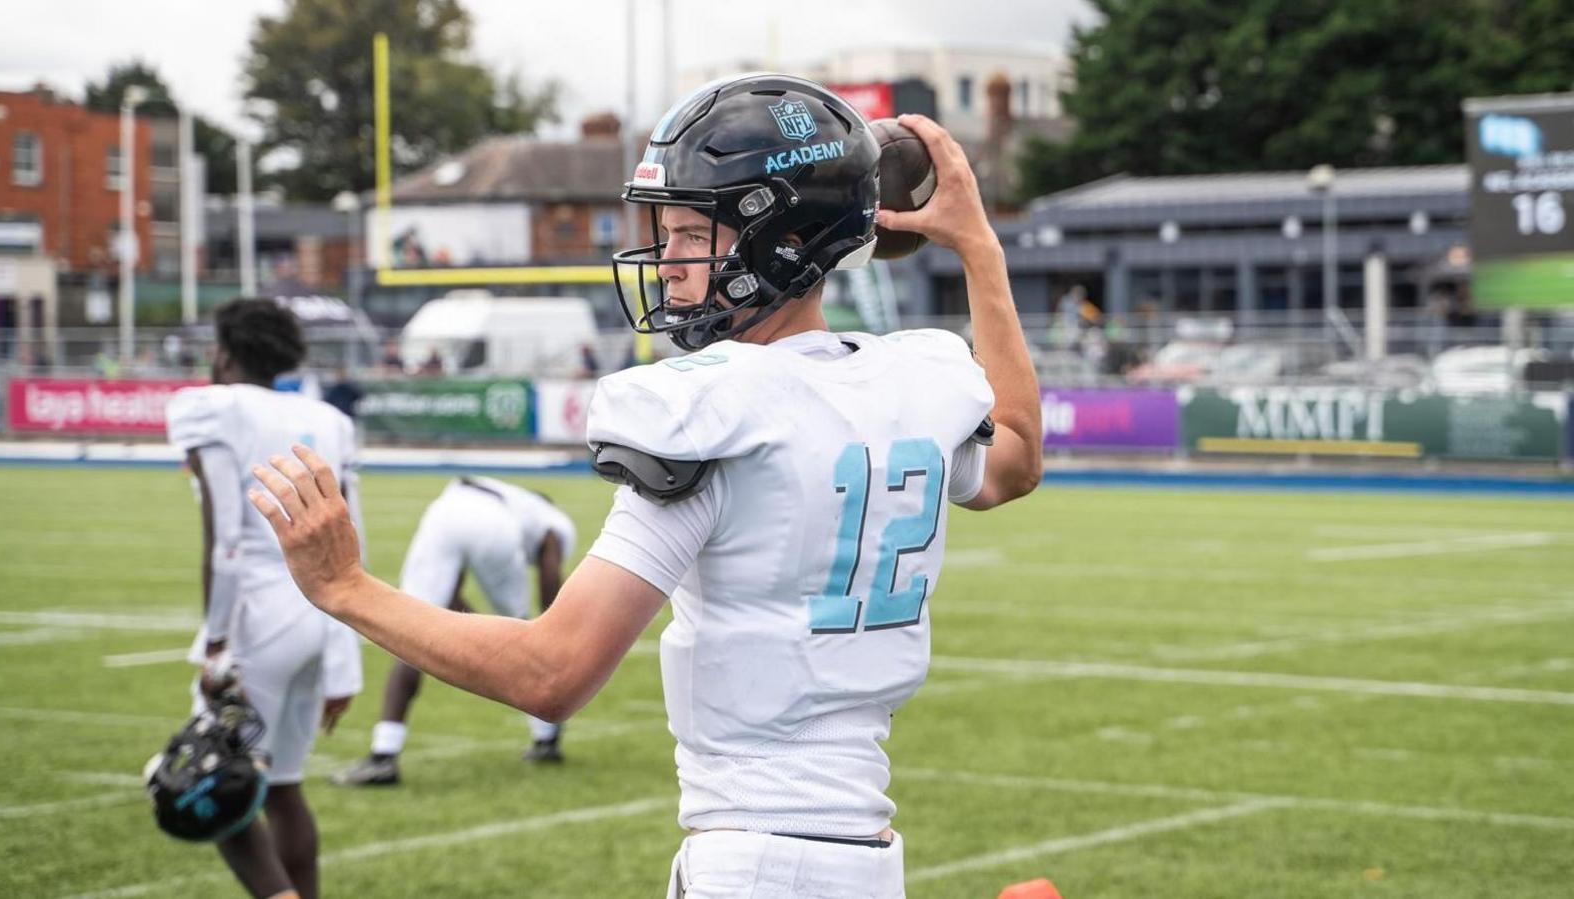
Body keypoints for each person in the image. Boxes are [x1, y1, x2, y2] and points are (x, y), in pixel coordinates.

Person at [248, 74, 1041, 897]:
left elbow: (551, 673)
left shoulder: (713, 411)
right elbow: (1017, 455)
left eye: (693, 233)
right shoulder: (908, 381)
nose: (668, 262)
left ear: (785, 240)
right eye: (666, 233)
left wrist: (346, 587)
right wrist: (979, 248)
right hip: (868, 861)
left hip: (753, 863)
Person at [167, 297, 365, 899]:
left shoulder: (211, 407)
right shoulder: (327, 418)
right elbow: (350, 539)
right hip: (322, 609)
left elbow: (226, 540)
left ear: (225, 352)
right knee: (282, 784)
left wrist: (217, 641)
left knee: (215, 783)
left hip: (258, 616)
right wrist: (345, 656)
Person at [334, 476, 577, 786]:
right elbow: (551, 559)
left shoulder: (507, 498)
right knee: (525, 640)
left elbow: (448, 594)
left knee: (411, 631)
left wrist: (476, 633)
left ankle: (384, 753)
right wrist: (549, 624)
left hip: (444, 511)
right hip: (494, 524)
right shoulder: (552, 518)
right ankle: (546, 738)